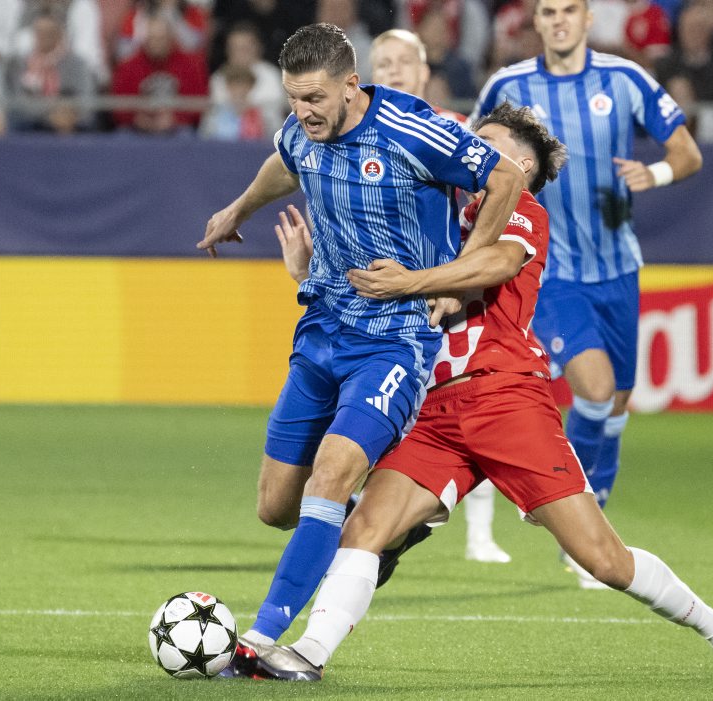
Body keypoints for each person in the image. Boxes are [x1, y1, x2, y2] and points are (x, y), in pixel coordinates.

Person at [229, 102, 713, 683]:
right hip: (433, 409)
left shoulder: (521, 209)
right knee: (365, 529)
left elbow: (498, 263)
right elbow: (374, 294)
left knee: (603, 560)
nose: (469, 148)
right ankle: (308, 656)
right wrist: (311, 275)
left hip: (506, 400)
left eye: (487, 142)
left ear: (520, 164)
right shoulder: (431, 211)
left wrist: (414, 281)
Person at [198, 22, 524, 653]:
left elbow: (506, 177)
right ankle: (375, 529)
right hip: (320, 331)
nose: (302, 111)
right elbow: (286, 161)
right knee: (276, 507)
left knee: (330, 478)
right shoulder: (301, 129)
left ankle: (262, 639)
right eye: (293, 97)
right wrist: (238, 210)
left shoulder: (411, 129)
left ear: (352, 85)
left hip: (395, 340)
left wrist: (452, 278)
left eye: (315, 98)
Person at [467, 0, 703, 587]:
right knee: (594, 391)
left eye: (569, 9)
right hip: (549, 272)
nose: (559, 20)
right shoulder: (508, 84)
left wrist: (658, 174)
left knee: (617, 402)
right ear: (537, 23)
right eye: (548, 12)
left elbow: (688, 152)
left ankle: (594, 512)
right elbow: (469, 157)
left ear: (588, 18)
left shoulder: (625, 80)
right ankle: (572, 519)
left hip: (618, 268)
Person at [369, 27, 510, 565]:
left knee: (472, 409)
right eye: (384, 63)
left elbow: (492, 205)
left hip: (440, 298)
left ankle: (477, 531)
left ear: (425, 72)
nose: (396, 70)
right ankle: (387, 523)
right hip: (385, 297)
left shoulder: (450, 130)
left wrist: (461, 278)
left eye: (405, 61)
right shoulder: (355, 135)